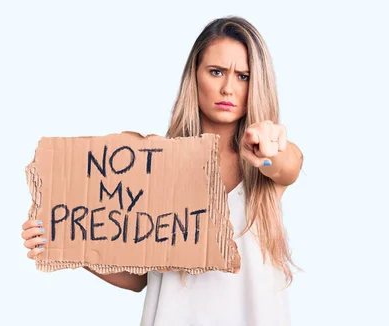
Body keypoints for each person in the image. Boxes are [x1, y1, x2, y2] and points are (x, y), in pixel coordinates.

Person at [20, 15, 304, 326]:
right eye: (216, 72)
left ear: (257, 83)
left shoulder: (266, 168)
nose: (227, 88)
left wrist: (268, 152)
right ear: (194, 77)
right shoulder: (156, 164)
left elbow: (287, 167)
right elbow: (141, 277)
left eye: (243, 76)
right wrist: (67, 241)